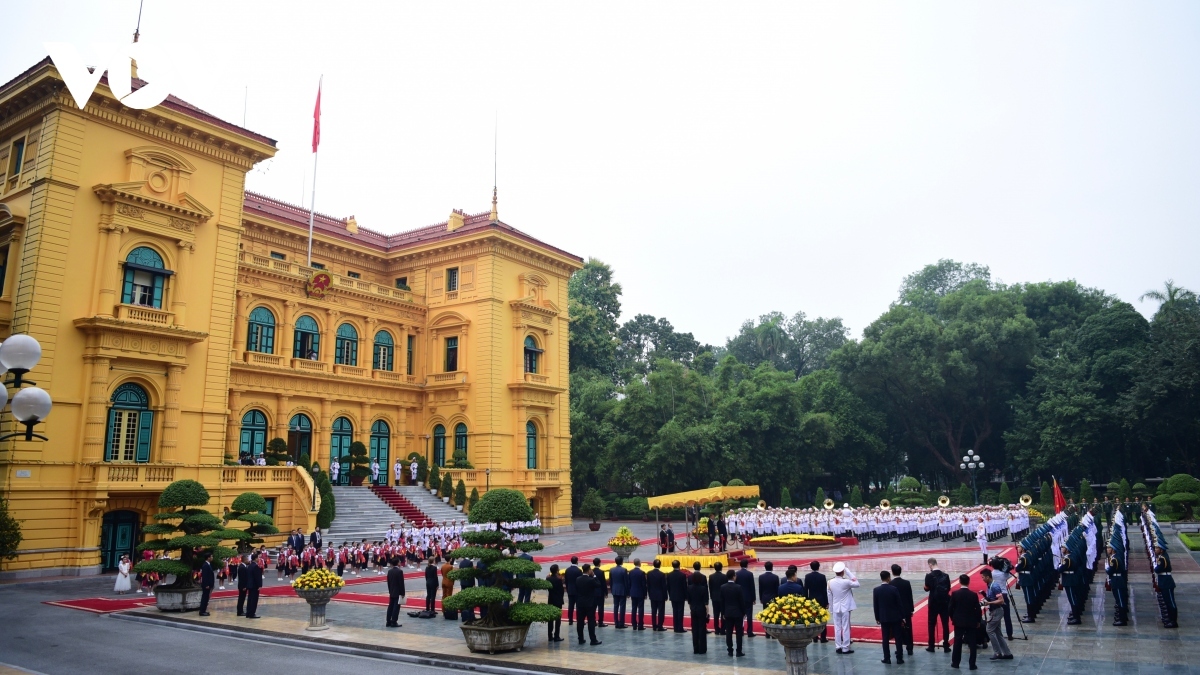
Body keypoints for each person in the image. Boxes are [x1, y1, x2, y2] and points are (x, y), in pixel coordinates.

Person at [949, 574, 981, 670]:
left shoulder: (955, 594)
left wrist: (953, 618)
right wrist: (978, 620)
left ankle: (955, 663)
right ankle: (972, 664)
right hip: (971, 621)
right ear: (969, 582)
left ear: (960, 581)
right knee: (972, 643)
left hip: (959, 621)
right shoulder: (973, 595)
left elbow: (950, 608)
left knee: (957, 642)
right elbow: (978, 609)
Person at [980, 569, 1013, 660]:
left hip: (997, 611)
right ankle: (1007, 653)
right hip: (994, 610)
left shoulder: (994, 586)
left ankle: (997, 652)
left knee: (989, 630)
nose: (982, 579)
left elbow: (1001, 600)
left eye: (983, 577)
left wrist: (989, 603)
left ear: (987, 577)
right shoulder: (989, 585)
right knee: (998, 633)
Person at [828, 561, 859, 654]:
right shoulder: (846, 582)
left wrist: (831, 609)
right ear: (842, 572)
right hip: (845, 608)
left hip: (836, 607)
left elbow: (829, 596)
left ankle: (838, 646)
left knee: (837, 627)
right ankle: (845, 647)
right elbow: (857, 583)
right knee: (845, 627)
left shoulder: (830, 582)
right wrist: (848, 572)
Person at [873, 570, 903, 664]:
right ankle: (899, 658)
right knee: (898, 638)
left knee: (885, 638)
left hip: (884, 617)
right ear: (888, 578)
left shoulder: (876, 590)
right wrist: (902, 617)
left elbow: (876, 605)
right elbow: (899, 604)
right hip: (895, 617)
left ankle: (887, 658)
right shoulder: (894, 589)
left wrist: (877, 617)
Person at [924, 557, 952, 652]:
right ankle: (946, 645)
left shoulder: (929, 576)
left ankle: (931, 645)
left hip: (933, 602)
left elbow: (927, 588)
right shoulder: (946, 575)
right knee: (945, 624)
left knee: (931, 624)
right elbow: (948, 588)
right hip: (944, 602)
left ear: (930, 564)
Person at [720, 570, 746, 657]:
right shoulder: (738, 587)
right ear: (734, 576)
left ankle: (730, 651)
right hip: (737, 613)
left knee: (729, 632)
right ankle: (739, 651)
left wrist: (722, 612)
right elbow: (741, 601)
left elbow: (722, 601)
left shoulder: (722, 587)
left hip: (727, 613)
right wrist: (744, 612)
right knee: (739, 633)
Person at [890, 564, 914, 657]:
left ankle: (899, 648)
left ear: (892, 572)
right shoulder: (906, 583)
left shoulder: (891, 584)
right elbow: (909, 597)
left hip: (896, 611)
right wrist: (911, 609)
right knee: (908, 629)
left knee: (897, 630)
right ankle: (910, 648)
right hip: (906, 609)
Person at [574, 563, 601, 645]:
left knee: (580, 622)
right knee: (591, 622)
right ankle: (593, 639)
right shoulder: (591, 580)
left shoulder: (578, 579)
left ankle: (580, 639)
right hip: (590, 604)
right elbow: (598, 584)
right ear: (589, 570)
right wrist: (594, 576)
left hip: (580, 603)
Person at [804, 560, 829, 644]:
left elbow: (805, 590)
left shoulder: (807, 576)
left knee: (813, 618)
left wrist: (806, 601)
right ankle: (823, 637)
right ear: (819, 567)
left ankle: (814, 637)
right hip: (821, 599)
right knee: (822, 618)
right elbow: (824, 590)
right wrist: (826, 602)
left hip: (811, 599)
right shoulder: (822, 577)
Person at [1154, 545, 1177, 628]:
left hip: (1166, 582)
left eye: (1157, 548)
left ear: (1161, 550)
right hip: (1164, 582)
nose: (1155, 550)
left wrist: (1156, 565)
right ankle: (1170, 618)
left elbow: (1157, 569)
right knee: (1167, 602)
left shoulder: (1162, 558)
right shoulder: (1162, 556)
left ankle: (1173, 621)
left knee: (1170, 602)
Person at [688, 569, 710, 654]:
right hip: (701, 610)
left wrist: (692, 609)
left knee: (695, 629)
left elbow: (689, 602)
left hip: (693, 609)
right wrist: (707, 612)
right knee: (702, 629)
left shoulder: (689, 588)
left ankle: (695, 648)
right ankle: (702, 649)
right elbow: (705, 603)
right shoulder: (703, 589)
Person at [734, 558, 757, 637]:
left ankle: (741, 630)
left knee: (740, 615)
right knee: (749, 615)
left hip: (739, 598)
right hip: (748, 597)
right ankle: (749, 631)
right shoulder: (749, 574)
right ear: (747, 565)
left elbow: (735, 586)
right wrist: (753, 598)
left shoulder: (736, 574)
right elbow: (752, 587)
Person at [758, 561, 780, 638]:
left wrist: (761, 598)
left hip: (764, 598)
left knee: (766, 616)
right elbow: (777, 589)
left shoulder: (761, 577)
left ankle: (767, 633)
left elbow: (760, 589)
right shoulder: (775, 577)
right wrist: (778, 599)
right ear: (772, 567)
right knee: (773, 615)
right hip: (773, 598)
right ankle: (773, 634)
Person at [667, 559, 688, 633]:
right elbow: (684, 586)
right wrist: (686, 596)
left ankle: (675, 627)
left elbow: (668, 586)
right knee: (680, 612)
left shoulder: (669, 575)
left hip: (673, 595)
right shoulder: (682, 575)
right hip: (681, 596)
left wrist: (670, 594)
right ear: (679, 566)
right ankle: (680, 627)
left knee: (675, 611)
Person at [648, 559, 668, 631]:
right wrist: (666, 596)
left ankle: (654, 626)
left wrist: (649, 594)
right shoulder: (662, 574)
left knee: (653, 611)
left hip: (652, 595)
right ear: (660, 565)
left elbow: (649, 585)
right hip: (661, 595)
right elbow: (664, 586)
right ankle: (660, 626)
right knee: (661, 611)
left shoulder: (649, 573)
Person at [546, 564, 565, 642]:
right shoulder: (558, 580)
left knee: (550, 619)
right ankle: (556, 635)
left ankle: (550, 636)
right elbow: (562, 591)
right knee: (558, 619)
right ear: (557, 570)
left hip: (551, 599)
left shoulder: (548, 579)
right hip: (558, 600)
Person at [610, 556, 629, 628]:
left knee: (615, 606)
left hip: (615, 590)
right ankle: (621, 623)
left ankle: (616, 622)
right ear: (622, 561)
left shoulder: (612, 570)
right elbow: (626, 582)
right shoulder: (624, 570)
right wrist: (627, 592)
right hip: (622, 590)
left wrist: (612, 589)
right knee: (622, 607)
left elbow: (611, 581)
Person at [386, 556, 405, 627]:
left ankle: (388, 621)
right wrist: (403, 593)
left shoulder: (390, 571)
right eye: (399, 561)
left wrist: (390, 591)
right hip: (398, 592)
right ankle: (394, 621)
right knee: (396, 608)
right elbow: (401, 583)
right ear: (397, 563)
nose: (400, 562)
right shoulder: (400, 571)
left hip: (392, 591)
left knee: (390, 606)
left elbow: (388, 582)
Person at [629, 558, 647, 630]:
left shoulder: (631, 572)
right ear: (639, 563)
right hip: (640, 592)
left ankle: (634, 624)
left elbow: (629, 583)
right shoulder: (641, 573)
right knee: (640, 609)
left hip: (633, 592)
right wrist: (645, 594)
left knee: (633, 608)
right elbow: (643, 584)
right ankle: (640, 625)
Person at [708, 562, 726, 635]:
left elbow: (710, 587)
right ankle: (723, 629)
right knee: (723, 614)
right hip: (722, 598)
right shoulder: (724, 577)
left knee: (716, 614)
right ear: (721, 567)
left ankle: (716, 629)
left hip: (714, 597)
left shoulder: (711, 576)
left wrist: (712, 596)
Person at [457, 557, 476, 622]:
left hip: (463, 582)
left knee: (463, 597)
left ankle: (463, 612)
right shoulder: (470, 562)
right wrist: (473, 583)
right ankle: (470, 613)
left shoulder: (461, 562)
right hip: (469, 582)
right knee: (470, 597)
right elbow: (471, 573)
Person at [245, 552, 263, 618]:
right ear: (255, 559)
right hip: (254, 585)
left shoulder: (250, 566)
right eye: (258, 557)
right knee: (254, 600)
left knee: (250, 599)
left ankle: (248, 612)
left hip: (250, 585)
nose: (258, 559)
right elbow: (257, 577)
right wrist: (259, 585)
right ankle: (252, 613)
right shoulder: (255, 566)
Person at [591, 557, 608, 627]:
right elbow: (603, 583)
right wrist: (606, 592)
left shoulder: (591, 571)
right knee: (600, 607)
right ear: (599, 563)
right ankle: (600, 622)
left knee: (593, 608)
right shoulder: (601, 572)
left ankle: (593, 621)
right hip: (600, 592)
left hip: (592, 592)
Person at [565, 556, 582, 625]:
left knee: (571, 606)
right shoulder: (579, 571)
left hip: (570, 590)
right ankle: (579, 619)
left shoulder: (567, 570)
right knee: (578, 606)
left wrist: (567, 588)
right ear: (577, 561)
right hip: (577, 591)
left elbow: (566, 581)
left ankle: (570, 620)